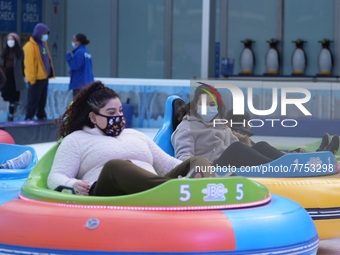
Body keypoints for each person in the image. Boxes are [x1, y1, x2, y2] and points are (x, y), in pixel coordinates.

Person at [47, 81, 213, 196]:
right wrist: (72, 185)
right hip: (110, 193)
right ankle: (175, 189)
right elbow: (56, 176)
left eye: (120, 111)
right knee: (116, 166)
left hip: (151, 187)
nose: (118, 116)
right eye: (112, 113)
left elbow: (168, 164)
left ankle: (215, 186)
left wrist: (190, 171)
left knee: (197, 161)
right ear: (93, 117)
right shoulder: (76, 140)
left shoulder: (135, 135)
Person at [171, 84, 339, 169]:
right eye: (205, 104)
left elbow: (239, 147)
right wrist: (200, 163)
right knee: (238, 148)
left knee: (260, 145)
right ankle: (282, 169)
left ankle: (308, 161)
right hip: (213, 168)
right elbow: (181, 160)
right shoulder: (186, 129)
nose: (209, 108)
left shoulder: (219, 125)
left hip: (229, 162)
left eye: (213, 104)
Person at [23, 23, 55, 120]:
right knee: (33, 100)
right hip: (36, 78)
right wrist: (31, 78)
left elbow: (47, 59)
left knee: (42, 99)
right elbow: (29, 64)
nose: (46, 35)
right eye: (44, 33)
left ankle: (41, 115)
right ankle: (29, 117)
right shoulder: (30, 46)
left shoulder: (44, 44)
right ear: (39, 33)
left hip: (44, 76)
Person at [1, 33, 26, 121]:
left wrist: (23, 74)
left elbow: (22, 64)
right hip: (6, 74)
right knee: (6, 94)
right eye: (8, 40)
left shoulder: (19, 51)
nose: (10, 41)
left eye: (12, 39)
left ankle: (11, 113)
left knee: (14, 95)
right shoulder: (5, 51)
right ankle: (10, 109)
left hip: (16, 75)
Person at [66, 33, 94, 98]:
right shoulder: (86, 52)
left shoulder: (79, 52)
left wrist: (68, 57)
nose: (72, 42)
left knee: (78, 104)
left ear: (78, 42)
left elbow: (75, 66)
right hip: (87, 82)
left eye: (74, 40)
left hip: (79, 83)